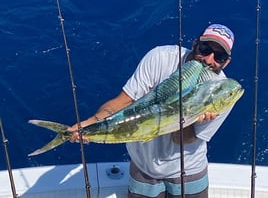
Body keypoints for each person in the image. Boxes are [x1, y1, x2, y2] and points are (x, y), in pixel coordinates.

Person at [68, 23, 235, 198]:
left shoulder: (223, 93)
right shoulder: (161, 57)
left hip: (189, 171)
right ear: (195, 44)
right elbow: (122, 102)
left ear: (227, 62)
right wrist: (91, 122)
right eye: (205, 49)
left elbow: (182, 139)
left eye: (220, 56)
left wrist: (190, 113)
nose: (209, 60)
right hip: (144, 168)